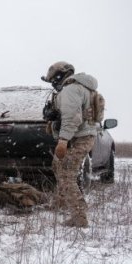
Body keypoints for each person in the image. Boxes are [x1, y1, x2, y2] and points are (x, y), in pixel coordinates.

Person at [41, 61, 98, 227]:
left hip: (78, 137)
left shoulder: (71, 89)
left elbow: (72, 117)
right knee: (58, 165)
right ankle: (61, 202)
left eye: (53, 79)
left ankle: (79, 217)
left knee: (66, 173)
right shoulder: (83, 87)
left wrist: (63, 140)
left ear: (60, 75)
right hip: (81, 135)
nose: (53, 83)